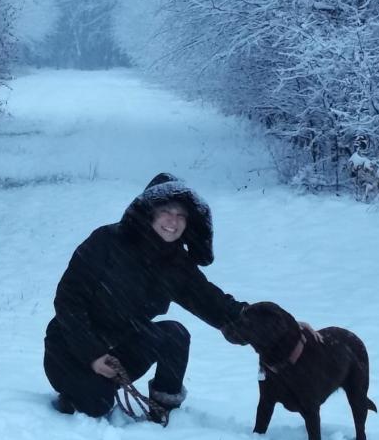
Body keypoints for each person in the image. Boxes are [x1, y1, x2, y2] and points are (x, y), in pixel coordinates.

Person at [43, 173, 247, 419]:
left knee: (174, 335)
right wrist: (92, 353)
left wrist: (271, 323)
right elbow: (68, 301)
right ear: (150, 211)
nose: (173, 221)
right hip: (70, 349)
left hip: (121, 349)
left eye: (181, 215)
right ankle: (76, 395)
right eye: (166, 212)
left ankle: (163, 411)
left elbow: (213, 303)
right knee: (95, 404)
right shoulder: (106, 241)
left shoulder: (176, 263)